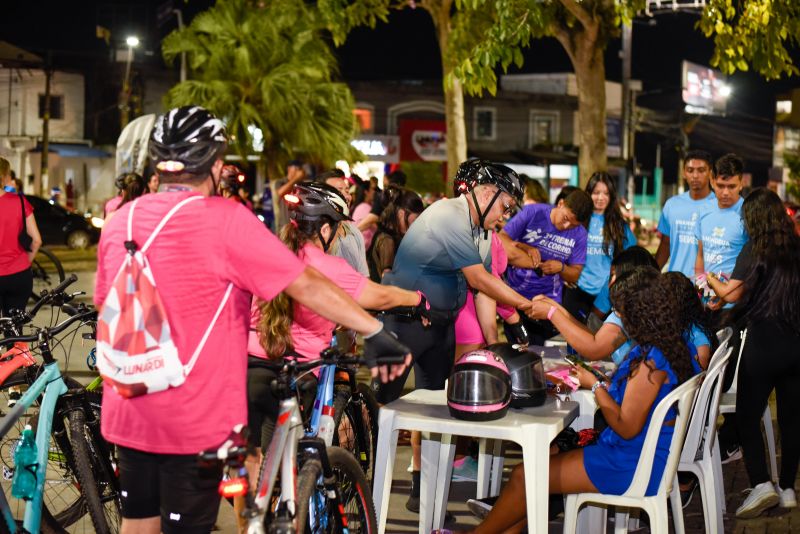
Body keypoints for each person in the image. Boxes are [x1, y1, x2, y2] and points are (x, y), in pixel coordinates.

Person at [95, 106, 412, 534]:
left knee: (139, 523)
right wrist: (374, 330)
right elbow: (306, 284)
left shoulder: (119, 223)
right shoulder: (225, 220)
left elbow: (108, 307)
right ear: (217, 165)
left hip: (129, 407)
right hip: (194, 418)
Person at [451, 268, 699, 534]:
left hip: (629, 464)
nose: (621, 321)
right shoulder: (667, 348)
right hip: (638, 456)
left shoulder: (651, 363)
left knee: (525, 476)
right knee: (532, 483)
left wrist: (596, 387)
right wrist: (598, 382)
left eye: (625, 315)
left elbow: (627, 427)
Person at [377, 159, 536, 512]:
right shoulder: (449, 213)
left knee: (435, 411)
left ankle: (425, 487)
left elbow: (483, 293)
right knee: (384, 409)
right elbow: (480, 280)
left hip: (440, 326)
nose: (506, 217)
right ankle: (365, 485)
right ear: (484, 192)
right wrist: (526, 305)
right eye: (506, 206)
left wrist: (495, 344)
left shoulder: (482, 232)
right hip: (404, 325)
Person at [703, 188, 800, 518]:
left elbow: (732, 292)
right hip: (796, 344)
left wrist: (713, 282)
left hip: (763, 344)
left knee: (746, 415)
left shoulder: (755, 248)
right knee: (791, 420)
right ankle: (787, 490)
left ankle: (761, 483)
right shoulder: (796, 247)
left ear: (754, 218)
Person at [528, 247, 658, 364]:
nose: (610, 284)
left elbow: (594, 348)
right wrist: (556, 308)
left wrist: (552, 313)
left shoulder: (628, 313)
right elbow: (594, 336)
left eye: (613, 276)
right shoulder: (641, 308)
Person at [499, 189, 592, 344]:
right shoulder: (533, 212)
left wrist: (561, 268)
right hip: (514, 297)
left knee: (543, 353)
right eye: (565, 218)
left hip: (547, 303)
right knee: (516, 350)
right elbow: (501, 239)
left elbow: (575, 274)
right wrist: (525, 247)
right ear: (561, 203)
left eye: (573, 225)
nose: (566, 226)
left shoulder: (581, 235)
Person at [563, 172, 635, 322]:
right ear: (588, 193)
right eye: (596, 193)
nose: (601, 198)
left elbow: (634, 257)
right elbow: (560, 248)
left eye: (606, 193)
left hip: (607, 294)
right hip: (577, 291)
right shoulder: (576, 221)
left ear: (612, 196)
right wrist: (563, 273)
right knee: (575, 341)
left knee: (602, 343)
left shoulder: (619, 226)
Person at [655, 150, 717, 278]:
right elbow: (665, 244)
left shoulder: (719, 206)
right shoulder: (672, 205)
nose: (695, 175)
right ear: (684, 173)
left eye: (701, 170)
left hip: (707, 287)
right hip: (676, 285)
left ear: (710, 173)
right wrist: (652, 275)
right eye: (690, 170)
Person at [694, 153, 747, 289]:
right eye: (720, 185)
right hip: (706, 299)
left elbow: (752, 266)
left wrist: (730, 297)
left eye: (731, 186)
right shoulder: (704, 210)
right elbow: (700, 255)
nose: (725, 192)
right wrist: (701, 291)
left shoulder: (748, 214)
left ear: (741, 184)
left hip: (735, 304)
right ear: (712, 182)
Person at [0, 157, 42, 316]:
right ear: (6, 177)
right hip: (19, 275)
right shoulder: (20, 201)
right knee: (16, 329)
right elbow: (37, 240)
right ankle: (16, 341)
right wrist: (25, 262)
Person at [315, 169, 370, 277]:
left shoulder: (354, 232)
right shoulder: (311, 233)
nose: (347, 197)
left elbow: (363, 278)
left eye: (347, 191)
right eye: (339, 191)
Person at [366, 187, 424, 282]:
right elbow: (387, 280)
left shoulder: (388, 235)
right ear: (401, 214)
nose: (416, 225)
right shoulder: (386, 240)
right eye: (415, 220)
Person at [272, 160, 305, 230]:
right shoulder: (280, 182)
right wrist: (296, 178)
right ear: (289, 168)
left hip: (298, 226)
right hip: (284, 225)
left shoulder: (300, 184)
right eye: (296, 168)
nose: (298, 171)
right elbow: (280, 192)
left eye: (299, 169)